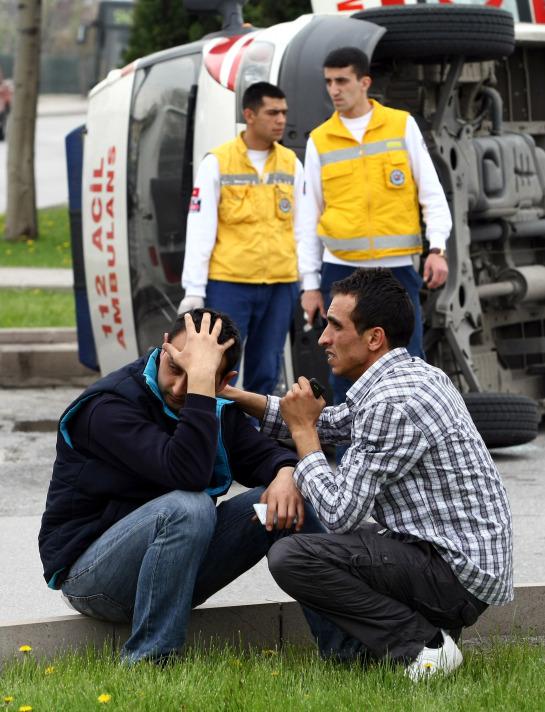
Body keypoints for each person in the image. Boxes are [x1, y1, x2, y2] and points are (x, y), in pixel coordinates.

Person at [223, 269, 513, 680]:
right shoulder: (408, 375)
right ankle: (388, 644)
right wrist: (237, 397)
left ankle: (422, 645)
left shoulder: (393, 402)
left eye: (335, 327)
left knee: (292, 556)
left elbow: (340, 513)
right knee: (309, 505)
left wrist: (303, 434)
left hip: (452, 576)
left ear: (374, 338)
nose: (322, 339)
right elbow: (333, 423)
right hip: (450, 561)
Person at [38, 308, 321, 664]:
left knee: (290, 503)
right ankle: (150, 661)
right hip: (94, 579)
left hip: (173, 570)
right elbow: (185, 474)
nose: (179, 387)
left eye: (198, 377)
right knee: (190, 506)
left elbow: (267, 456)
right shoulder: (108, 407)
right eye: (176, 369)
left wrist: (284, 474)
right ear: (165, 347)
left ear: (224, 381)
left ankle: (347, 651)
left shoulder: (214, 406)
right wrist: (201, 383)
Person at [298, 46, 452, 407]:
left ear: (364, 82)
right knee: (344, 364)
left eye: (342, 81)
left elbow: (431, 191)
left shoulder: (401, 125)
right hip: (342, 268)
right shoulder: (319, 140)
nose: (334, 90)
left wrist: (438, 248)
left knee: (409, 364)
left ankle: (418, 452)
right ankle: (353, 454)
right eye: (328, 82)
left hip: (396, 267)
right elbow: (307, 217)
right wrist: (309, 284)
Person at [179, 82, 304, 395]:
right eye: (272, 112)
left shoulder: (291, 163)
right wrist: (194, 289)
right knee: (221, 368)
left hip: (280, 284)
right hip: (229, 283)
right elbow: (200, 228)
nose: (281, 120)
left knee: (267, 368)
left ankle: (256, 439)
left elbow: (303, 228)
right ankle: (217, 437)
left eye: (284, 113)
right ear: (249, 115)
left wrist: (306, 281)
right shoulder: (218, 162)